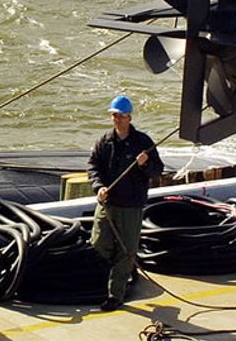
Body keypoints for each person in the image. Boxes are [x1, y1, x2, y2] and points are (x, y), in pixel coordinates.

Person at [88, 95, 164, 312]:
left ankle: (115, 295)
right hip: (108, 203)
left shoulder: (143, 143)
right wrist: (98, 187)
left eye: (121, 116)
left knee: (126, 251)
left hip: (131, 206)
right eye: (114, 115)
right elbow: (93, 166)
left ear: (129, 117)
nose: (117, 119)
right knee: (99, 243)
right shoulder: (105, 141)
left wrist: (145, 164)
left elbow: (157, 170)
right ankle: (117, 273)